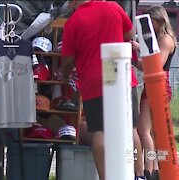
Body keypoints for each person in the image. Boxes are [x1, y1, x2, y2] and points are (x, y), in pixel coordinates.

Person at [61, 0, 146, 179]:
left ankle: (105, 177)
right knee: (130, 129)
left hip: (94, 78)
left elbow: (68, 59)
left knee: (100, 130)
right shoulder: (113, 7)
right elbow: (130, 32)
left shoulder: (73, 21)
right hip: (119, 70)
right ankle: (138, 175)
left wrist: (64, 74)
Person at [132, 5, 177, 180]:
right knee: (152, 132)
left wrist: (137, 52)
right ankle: (156, 170)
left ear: (159, 20)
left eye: (151, 22)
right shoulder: (161, 38)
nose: (148, 27)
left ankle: (147, 171)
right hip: (154, 85)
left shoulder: (165, 40)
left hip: (158, 85)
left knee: (143, 130)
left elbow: (155, 65)